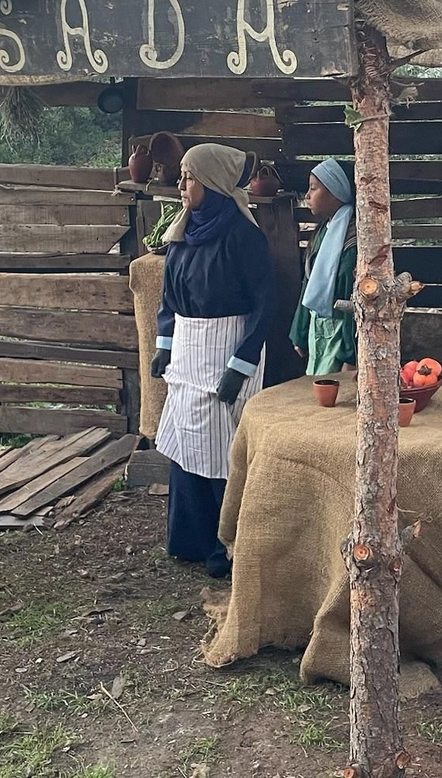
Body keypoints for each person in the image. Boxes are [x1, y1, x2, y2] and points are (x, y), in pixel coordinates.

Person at [151, 143, 273, 578]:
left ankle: (226, 545)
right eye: (182, 177)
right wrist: (164, 345)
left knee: (223, 450)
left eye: (190, 178)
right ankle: (190, 538)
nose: (181, 186)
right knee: (187, 442)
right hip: (188, 354)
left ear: (214, 183)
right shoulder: (183, 234)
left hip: (227, 351)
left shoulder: (244, 238)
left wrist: (240, 366)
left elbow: (263, 307)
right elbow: (169, 298)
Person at [290, 159, 358, 376]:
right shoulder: (322, 232)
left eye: (313, 188)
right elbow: (309, 283)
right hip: (317, 329)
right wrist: (300, 332)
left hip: (339, 335)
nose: (307, 195)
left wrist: (351, 356)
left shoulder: (352, 240)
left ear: (336, 192)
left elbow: (353, 300)